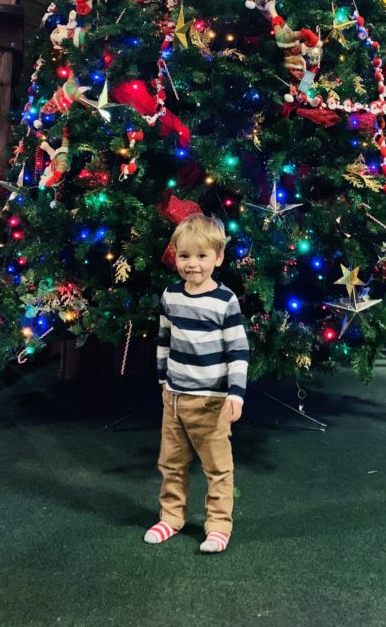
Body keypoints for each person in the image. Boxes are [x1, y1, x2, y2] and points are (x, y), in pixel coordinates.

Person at [144, 214, 249, 555]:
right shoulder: (170, 296)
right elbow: (163, 339)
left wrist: (236, 394)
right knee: (171, 462)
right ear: (175, 256)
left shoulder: (224, 301)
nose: (192, 265)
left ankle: (218, 525)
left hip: (212, 402)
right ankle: (171, 517)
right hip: (174, 398)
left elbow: (238, 350)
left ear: (218, 258)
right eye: (185, 256)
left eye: (202, 257)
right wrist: (163, 380)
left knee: (217, 467)